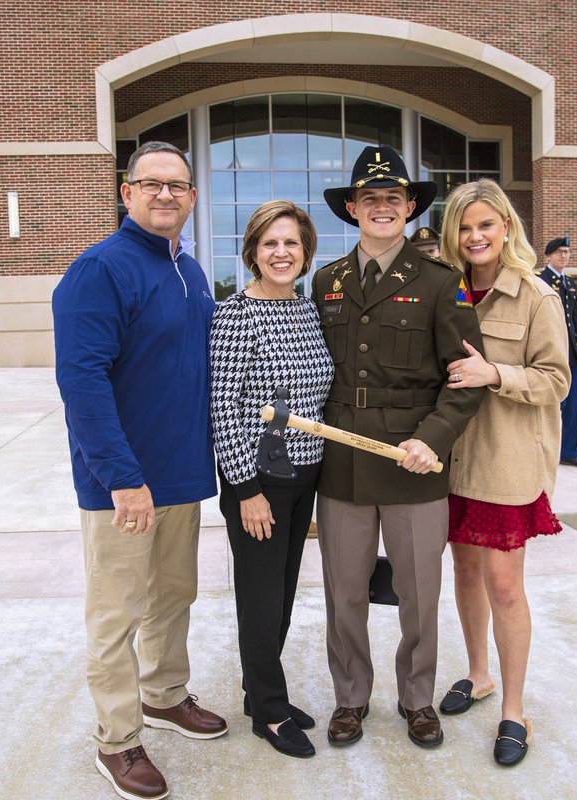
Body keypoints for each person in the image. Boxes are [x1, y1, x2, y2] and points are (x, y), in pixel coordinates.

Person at [53, 141, 226, 800]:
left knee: (172, 598)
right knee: (117, 615)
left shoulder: (190, 271)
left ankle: (163, 695)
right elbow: (82, 380)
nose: (164, 195)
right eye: (150, 184)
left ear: (190, 196)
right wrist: (122, 477)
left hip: (182, 475)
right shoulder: (100, 269)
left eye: (177, 185)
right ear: (126, 193)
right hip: (120, 485)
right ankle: (118, 739)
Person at [313, 145, 484, 750]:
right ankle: (350, 697)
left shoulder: (442, 284)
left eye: (393, 199)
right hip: (343, 467)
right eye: (369, 199)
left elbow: (465, 381)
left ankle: (417, 698)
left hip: (415, 464)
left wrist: (431, 440)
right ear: (352, 210)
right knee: (345, 592)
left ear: (410, 208)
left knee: (418, 593)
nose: (381, 208)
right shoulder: (326, 281)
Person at [435, 179, 570, 766]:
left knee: (506, 585)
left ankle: (514, 710)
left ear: (506, 228)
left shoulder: (537, 298)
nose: (475, 237)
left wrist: (496, 375)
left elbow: (557, 381)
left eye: (486, 225)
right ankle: (478, 673)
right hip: (449, 458)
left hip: (505, 462)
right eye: (465, 228)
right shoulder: (443, 291)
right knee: (464, 571)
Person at [209, 201, 334, 758]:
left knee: (282, 594)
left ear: (305, 252)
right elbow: (225, 407)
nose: (281, 253)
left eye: (291, 243)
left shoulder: (307, 311)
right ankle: (269, 713)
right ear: (252, 253)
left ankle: (258, 694)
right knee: (260, 599)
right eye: (269, 244)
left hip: (304, 473)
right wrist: (245, 490)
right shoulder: (236, 314)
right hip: (260, 477)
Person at [538, 237, 577, 468]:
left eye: (567, 252)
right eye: (559, 252)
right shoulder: (540, 280)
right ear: (548, 256)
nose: (564, 256)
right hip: (551, 351)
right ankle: (542, 451)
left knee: (574, 404)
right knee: (549, 408)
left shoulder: (570, 283)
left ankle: (570, 450)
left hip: (571, 353)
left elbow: (573, 319)